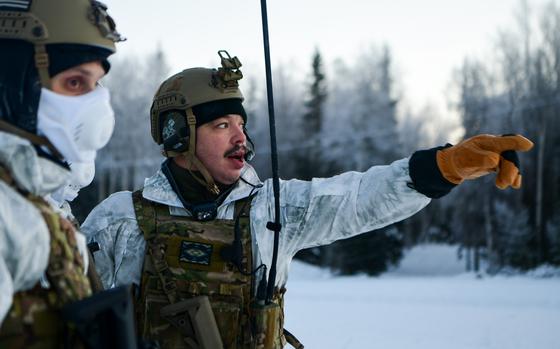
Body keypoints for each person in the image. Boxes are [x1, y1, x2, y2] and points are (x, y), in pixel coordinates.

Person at [82, 51, 534, 349]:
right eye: (221, 126)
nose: (241, 138)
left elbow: (360, 198)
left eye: (241, 124)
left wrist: (446, 166)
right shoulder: (119, 220)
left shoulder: (273, 211)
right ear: (176, 134)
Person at [0, 0, 124, 345]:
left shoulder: (30, 201)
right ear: (12, 83)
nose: (97, 108)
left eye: (96, 85)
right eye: (74, 83)